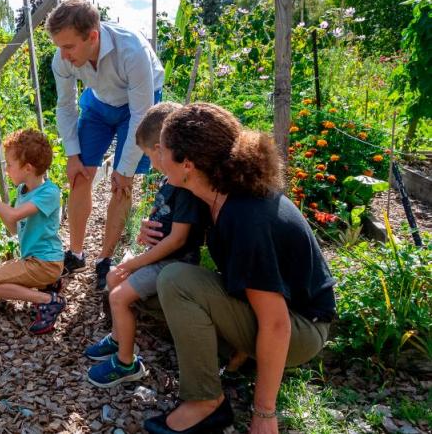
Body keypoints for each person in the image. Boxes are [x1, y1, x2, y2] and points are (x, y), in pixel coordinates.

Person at [138, 103, 336, 434]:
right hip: (273, 314)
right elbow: (177, 240)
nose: (157, 159)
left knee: (175, 281)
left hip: (299, 329)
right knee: (150, 290)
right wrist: (153, 232)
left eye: (164, 150)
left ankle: (206, 403)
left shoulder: (245, 215)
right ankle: (239, 357)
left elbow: (275, 323)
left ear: (187, 163)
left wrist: (264, 415)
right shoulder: (212, 194)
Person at [84, 102, 210, 388]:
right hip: (158, 258)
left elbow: (178, 239)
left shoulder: (185, 187)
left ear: (161, 148)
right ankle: (118, 338)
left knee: (118, 295)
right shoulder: (170, 179)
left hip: (176, 265)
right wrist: (144, 236)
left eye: (150, 156)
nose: (151, 164)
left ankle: (127, 363)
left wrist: (136, 261)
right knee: (114, 276)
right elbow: (162, 222)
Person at [46, 0, 165, 290]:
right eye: (59, 46)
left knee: (123, 183)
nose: (63, 54)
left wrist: (124, 167)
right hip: (99, 104)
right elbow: (66, 107)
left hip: (138, 106)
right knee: (78, 175)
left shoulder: (131, 50)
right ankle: (75, 253)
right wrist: (73, 155)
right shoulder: (61, 59)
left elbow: (140, 113)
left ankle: (105, 259)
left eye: (69, 46)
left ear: (93, 36)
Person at [0, 129, 66, 335]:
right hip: (35, 261)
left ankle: (49, 300)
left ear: (27, 168)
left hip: (46, 263)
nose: (6, 170)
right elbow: (15, 227)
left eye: (9, 165)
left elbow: (15, 215)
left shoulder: (49, 193)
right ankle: (48, 286)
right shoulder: (22, 191)